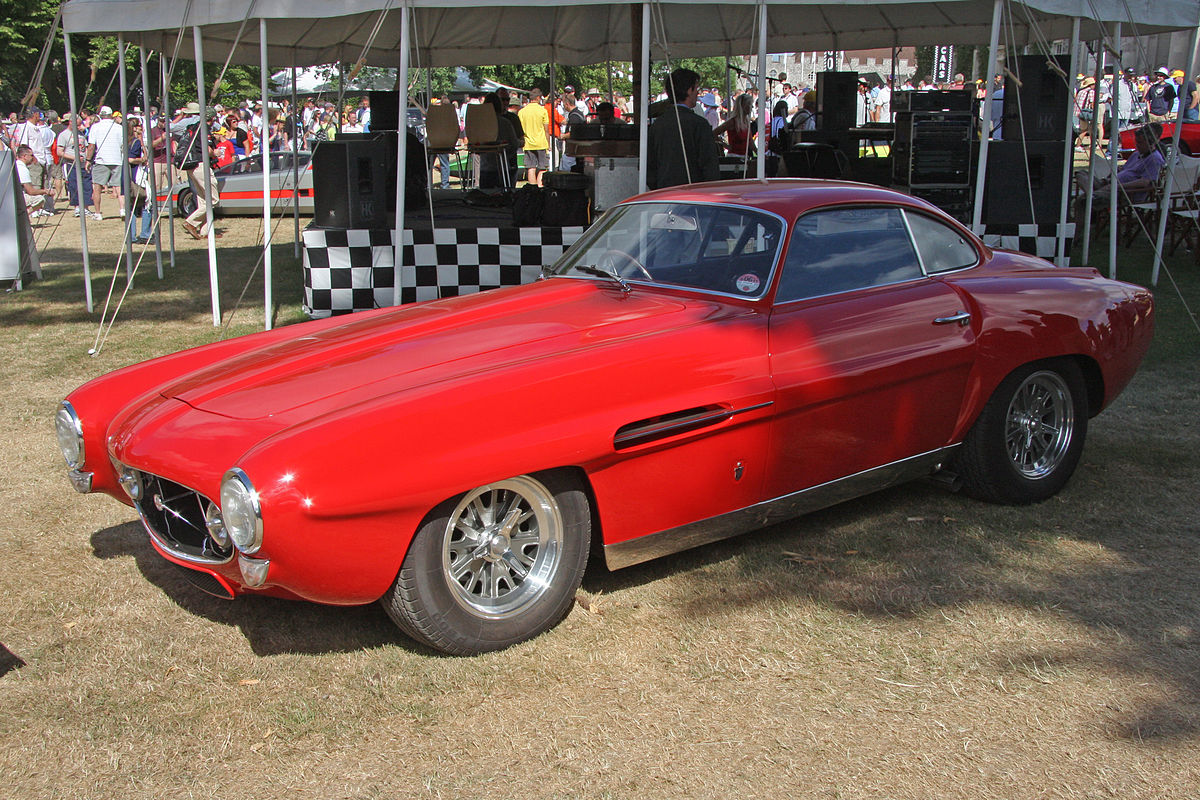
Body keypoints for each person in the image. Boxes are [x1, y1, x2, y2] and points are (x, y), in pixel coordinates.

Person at [647, 68, 721, 190]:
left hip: (664, 195)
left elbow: (649, 167)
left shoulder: (657, 125)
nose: (698, 93)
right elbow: (710, 167)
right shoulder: (699, 124)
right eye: (696, 89)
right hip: (693, 196)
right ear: (689, 90)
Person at [182, 123, 220, 240]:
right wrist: (215, 153)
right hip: (201, 165)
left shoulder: (190, 128)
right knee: (214, 200)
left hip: (191, 166)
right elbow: (207, 150)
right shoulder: (203, 129)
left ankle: (205, 232)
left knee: (203, 200)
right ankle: (191, 222)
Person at [517, 88, 550, 186]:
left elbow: (520, 130)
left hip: (528, 144)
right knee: (543, 168)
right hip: (541, 143)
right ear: (539, 97)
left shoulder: (522, 112)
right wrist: (548, 144)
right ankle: (540, 187)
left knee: (530, 167)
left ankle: (533, 188)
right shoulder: (542, 111)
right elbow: (546, 130)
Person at [14, 144, 54, 218]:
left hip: (14, 196)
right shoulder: (22, 168)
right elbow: (31, 191)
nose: (33, 157)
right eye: (31, 155)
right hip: (17, 197)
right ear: (25, 156)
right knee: (40, 199)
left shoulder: (16, 165)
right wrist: (46, 191)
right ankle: (22, 217)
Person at [713, 92, 754, 157]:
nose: (752, 107)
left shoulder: (746, 122)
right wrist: (726, 145)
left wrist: (760, 154)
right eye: (749, 104)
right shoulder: (732, 122)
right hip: (734, 157)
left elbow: (750, 141)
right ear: (743, 106)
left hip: (744, 157)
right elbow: (714, 133)